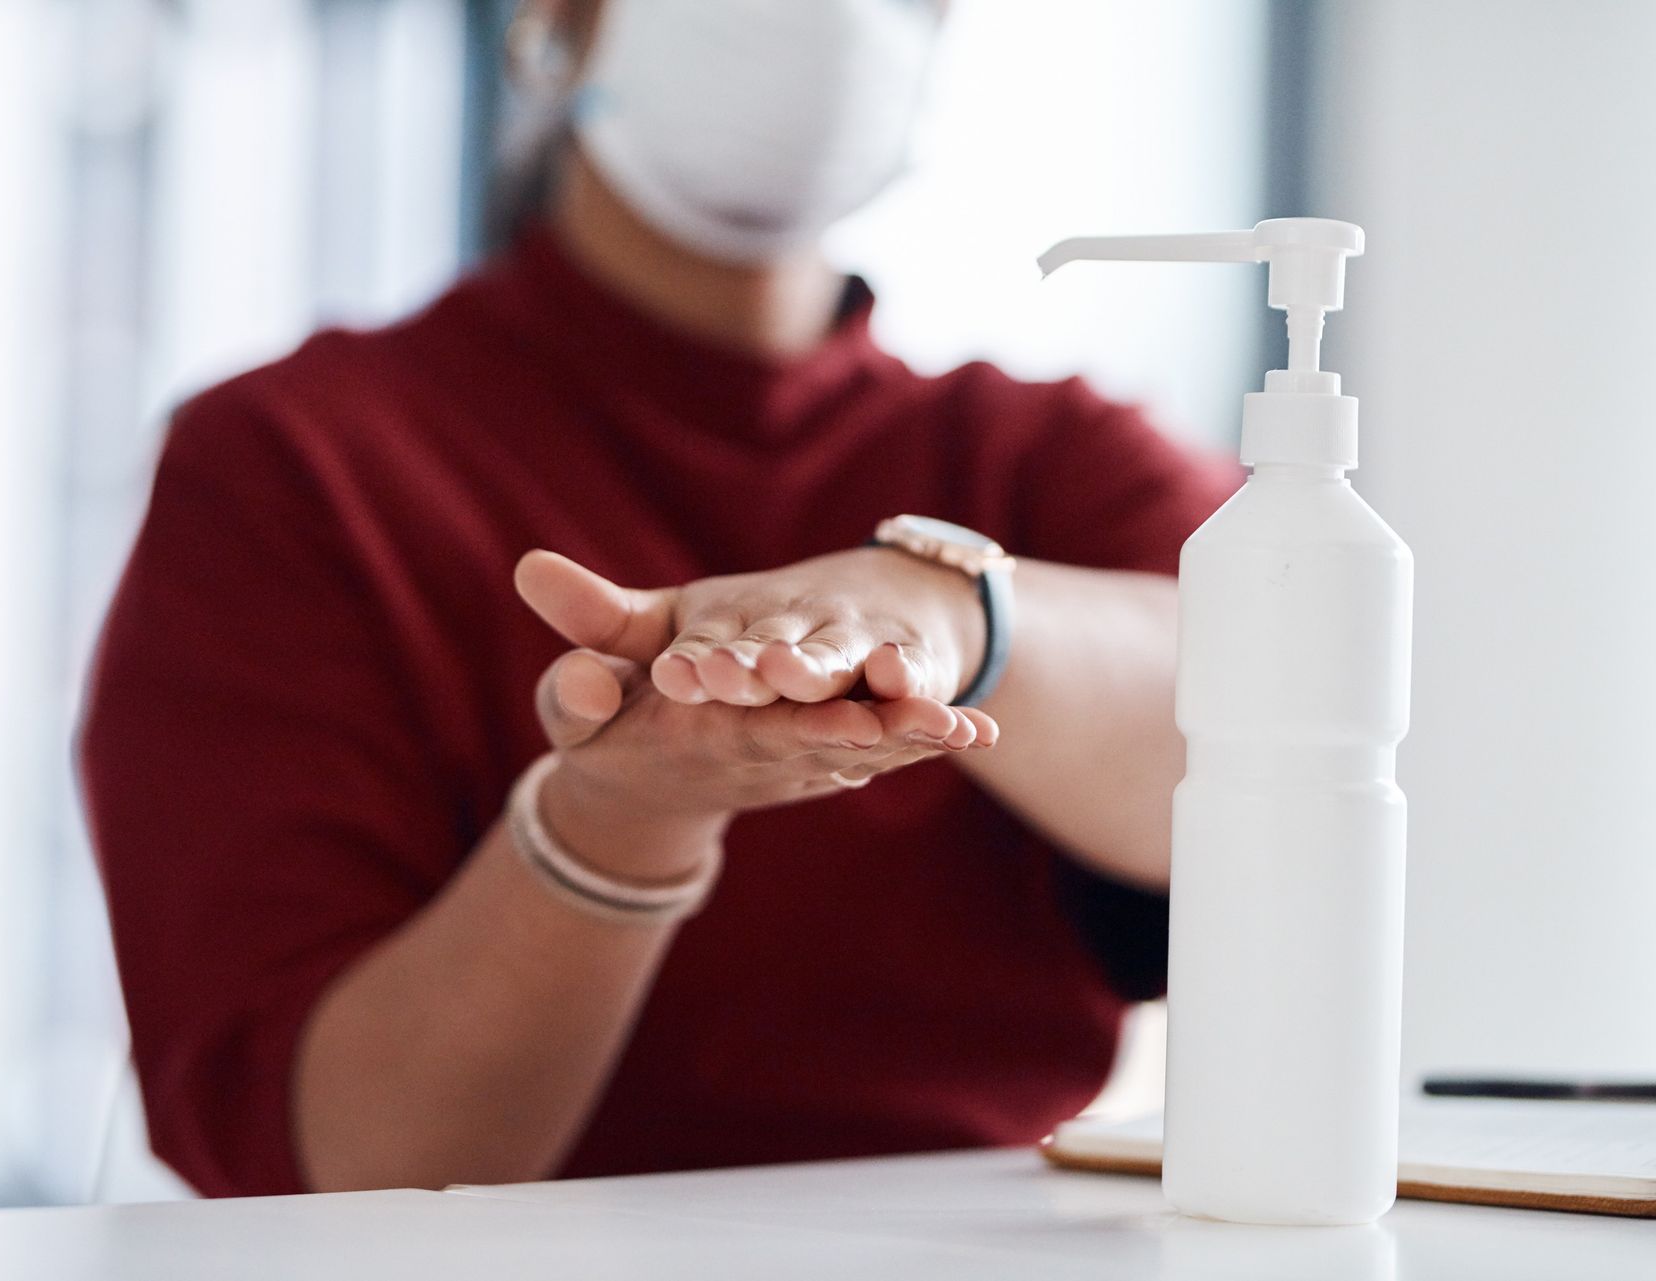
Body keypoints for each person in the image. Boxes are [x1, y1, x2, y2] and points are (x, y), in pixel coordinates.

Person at [79, 0, 1239, 1198]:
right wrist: (614, 822)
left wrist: (952, 615)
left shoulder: (1045, 462)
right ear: (554, 22)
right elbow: (346, 1161)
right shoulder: (294, 466)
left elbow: (1279, 749)